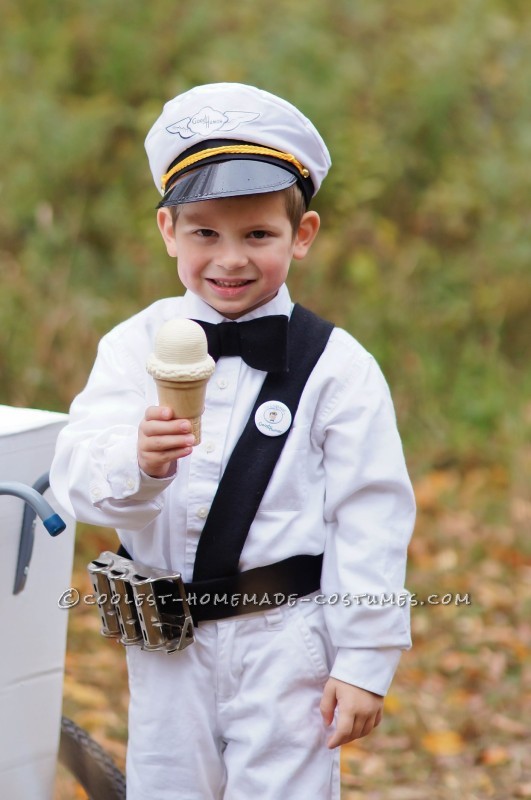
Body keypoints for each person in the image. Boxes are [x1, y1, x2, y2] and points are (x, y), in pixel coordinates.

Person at [51, 82, 415, 800]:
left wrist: (364, 658)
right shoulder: (132, 347)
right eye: (204, 234)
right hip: (166, 648)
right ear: (167, 231)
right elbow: (74, 474)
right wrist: (137, 459)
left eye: (257, 235)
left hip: (285, 639)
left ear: (301, 235)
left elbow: (368, 514)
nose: (230, 260)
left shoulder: (338, 367)